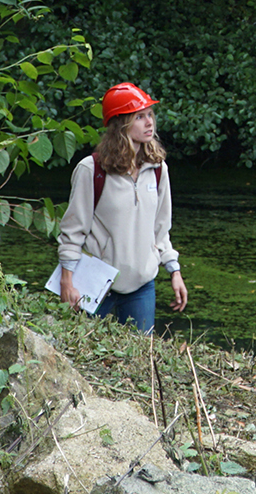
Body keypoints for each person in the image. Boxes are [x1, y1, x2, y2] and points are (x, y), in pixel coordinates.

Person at [57, 82, 188, 331]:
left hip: (141, 286)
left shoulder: (159, 169)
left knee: (140, 361)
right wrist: (67, 281)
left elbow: (161, 230)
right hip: (97, 282)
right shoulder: (92, 169)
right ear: (121, 124)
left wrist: (174, 270)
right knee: (82, 356)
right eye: (139, 117)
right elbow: (73, 230)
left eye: (150, 114)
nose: (149, 122)